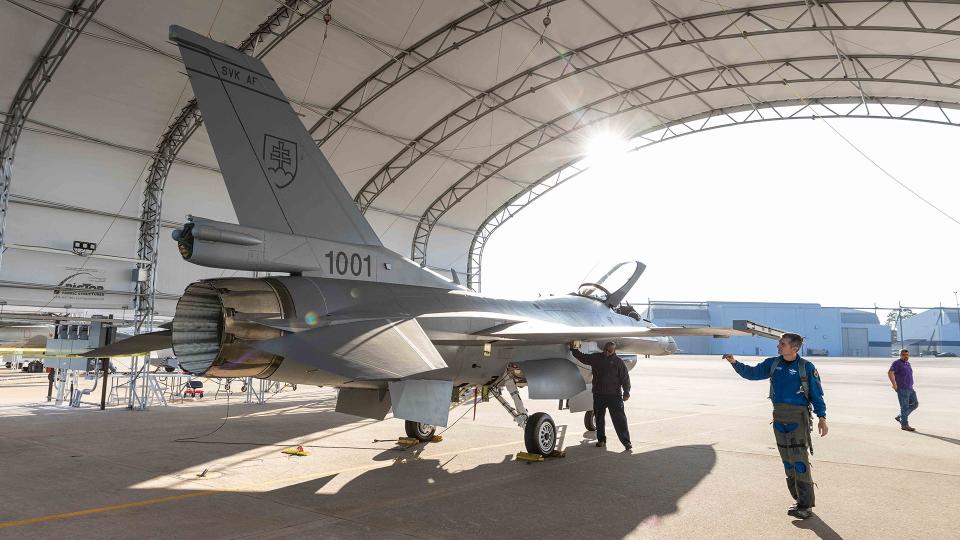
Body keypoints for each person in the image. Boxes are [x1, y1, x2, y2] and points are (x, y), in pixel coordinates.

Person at [723, 333, 827, 520]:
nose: (778, 346)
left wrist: (822, 417)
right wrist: (734, 362)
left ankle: (806, 505)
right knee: (787, 461)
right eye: (779, 343)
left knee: (800, 462)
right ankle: (798, 499)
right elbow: (752, 373)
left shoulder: (806, 367)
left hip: (797, 418)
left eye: (782, 344)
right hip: (778, 417)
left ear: (794, 348)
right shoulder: (773, 363)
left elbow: (817, 394)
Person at [569, 341, 632, 450]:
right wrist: (573, 349)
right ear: (604, 349)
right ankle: (601, 440)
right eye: (607, 349)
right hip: (599, 395)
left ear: (614, 350)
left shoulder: (618, 362)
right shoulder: (596, 358)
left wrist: (626, 392)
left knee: (620, 420)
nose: (608, 352)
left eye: (611, 350)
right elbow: (582, 357)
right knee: (599, 419)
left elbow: (625, 378)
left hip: (614, 396)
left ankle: (626, 442)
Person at [889, 349, 918, 431]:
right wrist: (894, 385)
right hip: (902, 389)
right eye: (904, 354)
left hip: (910, 388)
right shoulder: (897, 363)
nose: (906, 356)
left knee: (915, 404)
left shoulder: (908, 363)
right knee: (904, 407)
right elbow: (890, 373)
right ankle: (904, 425)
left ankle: (900, 417)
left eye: (907, 355)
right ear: (900, 355)